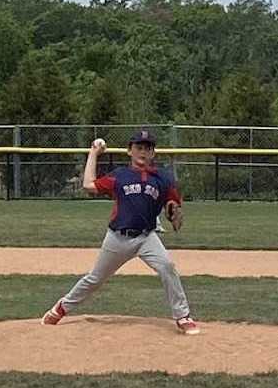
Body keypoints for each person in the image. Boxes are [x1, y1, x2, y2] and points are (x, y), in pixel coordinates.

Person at [41, 129, 200, 335]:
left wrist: (173, 210)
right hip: (118, 238)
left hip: (146, 237)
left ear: (153, 153)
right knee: (95, 279)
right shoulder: (120, 176)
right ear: (129, 150)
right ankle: (61, 307)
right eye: (139, 147)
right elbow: (88, 185)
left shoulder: (162, 177)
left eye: (148, 148)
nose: (143, 152)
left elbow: (173, 204)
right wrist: (93, 153)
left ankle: (182, 315)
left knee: (167, 267)